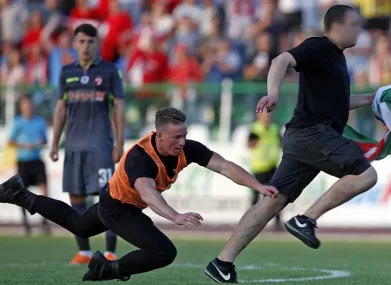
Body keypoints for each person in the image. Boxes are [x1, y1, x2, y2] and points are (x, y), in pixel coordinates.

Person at [0, 107, 278, 282]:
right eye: (176, 138)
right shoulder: (140, 158)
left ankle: (20, 195)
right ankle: (107, 269)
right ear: (158, 136)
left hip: (120, 201)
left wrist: (258, 186)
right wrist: (175, 215)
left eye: (185, 135)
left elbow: (224, 166)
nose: (183, 142)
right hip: (118, 207)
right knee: (164, 252)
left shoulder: (186, 148)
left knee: (79, 224)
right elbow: (148, 193)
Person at [204, 5, 378, 283]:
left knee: (273, 201)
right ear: (338, 26)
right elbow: (280, 60)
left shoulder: (335, 57)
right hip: (313, 133)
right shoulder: (319, 46)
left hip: (303, 137)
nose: (359, 29)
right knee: (366, 174)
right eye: (355, 23)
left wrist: (373, 98)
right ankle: (305, 219)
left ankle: (222, 262)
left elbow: (337, 104)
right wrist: (272, 92)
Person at [49, 23, 126, 264]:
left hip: (101, 146)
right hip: (73, 146)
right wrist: (54, 143)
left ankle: (111, 251)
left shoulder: (110, 71)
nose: (85, 46)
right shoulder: (66, 72)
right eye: (81, 42)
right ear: (74, 44)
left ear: (97, 44)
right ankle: (83, 252)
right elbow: (61, 107)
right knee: (76, 197)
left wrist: (119, 142)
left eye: (90, 42)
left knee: (108, 198)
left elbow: (119, 106)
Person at [8, 95, 50, 236]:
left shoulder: (39, 122)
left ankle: (45, 221)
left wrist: (38, 143)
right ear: (22, 106)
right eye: (25, 105)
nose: (28, 107)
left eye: (30, 104)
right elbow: (10, 142)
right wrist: (23, 145)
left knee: (44, 190)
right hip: (23, 162)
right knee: (22, 192)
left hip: (37, 160)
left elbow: (45, 140)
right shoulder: (18, 122)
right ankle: (26, 223)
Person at [247, 111, 282, 230]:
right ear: (259, 118)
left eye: (268, 116)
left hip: (272, 166)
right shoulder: (256, 129)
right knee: (255, 196)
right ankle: (251, 221)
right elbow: (250, 144)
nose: (267, 118)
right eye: (265, 116)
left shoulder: (274, 129)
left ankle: (277, 223)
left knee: (277, 195)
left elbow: (280, 143)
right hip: (260, 166)